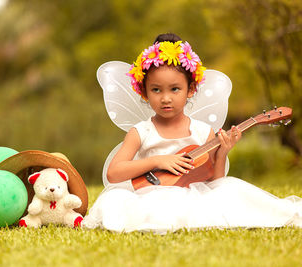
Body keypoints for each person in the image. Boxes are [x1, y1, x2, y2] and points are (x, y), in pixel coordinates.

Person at [82, 33, 302, 234]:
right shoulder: (141, 131)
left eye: (175, 89)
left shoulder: (202, 131)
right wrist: (159, 160)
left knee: (230, 190)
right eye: (156, 90)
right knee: (117, 201)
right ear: (145, 92)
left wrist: (223, 152)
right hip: (152, 197)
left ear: (191, 90)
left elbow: (214, 180)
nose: (165, 98)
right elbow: (114, 173)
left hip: (193, 195)